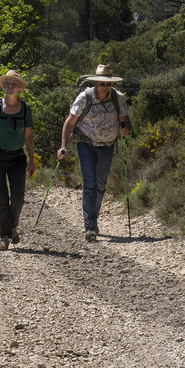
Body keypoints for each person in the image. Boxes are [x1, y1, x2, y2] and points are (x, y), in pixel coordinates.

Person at [56, 63, 129, 239]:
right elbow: (70, 122)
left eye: (108, 83)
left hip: (108, 145)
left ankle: (93, 217)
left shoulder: (118, 98)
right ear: (96, 82)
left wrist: (125, 128)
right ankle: (90, 225)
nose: (105, 86)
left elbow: (125, 120)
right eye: (102, 83)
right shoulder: (84, 97)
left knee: (101, 184)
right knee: (90, 183)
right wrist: (63, 146)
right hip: (86, 143)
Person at [0, 69, 37, 250]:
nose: (10, 87)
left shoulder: (26, 109)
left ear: (20, 88)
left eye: (14, 84)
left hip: (17, 158)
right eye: (7, 84)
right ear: (3, 87)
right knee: (2, 199)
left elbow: (28, 136)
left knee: (18, 198)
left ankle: (12, 227)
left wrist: (32, 160)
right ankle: (4, 237)